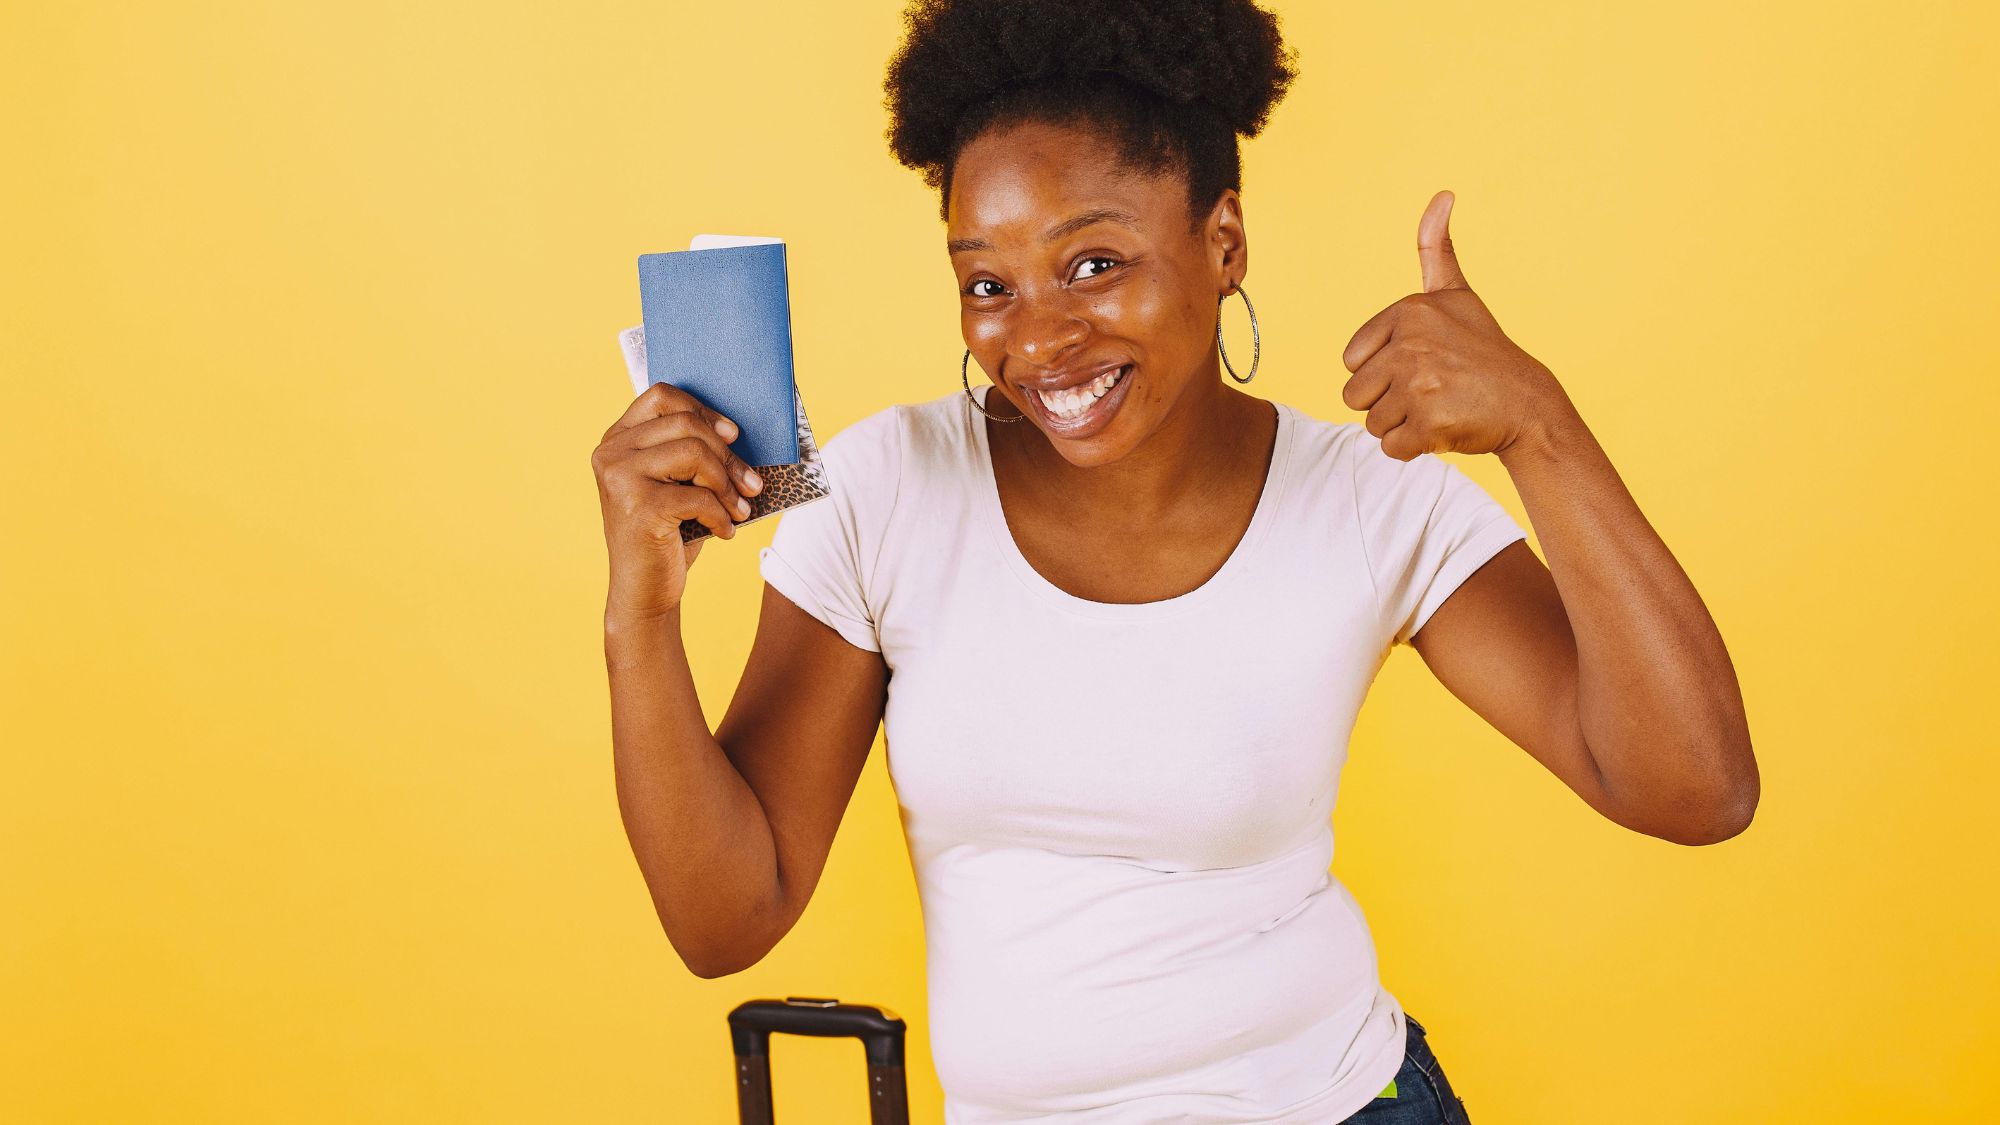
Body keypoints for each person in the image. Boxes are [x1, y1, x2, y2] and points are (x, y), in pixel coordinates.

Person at [589, 1, 1759, 1121]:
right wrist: (637, 619)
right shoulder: (890, 491)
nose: (1038, 339)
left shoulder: (1365, 502)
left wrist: (1537, 428)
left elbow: (1694, 791)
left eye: (1093, 263)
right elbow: (723, 919)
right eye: (987, 285)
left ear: (1223, 240)